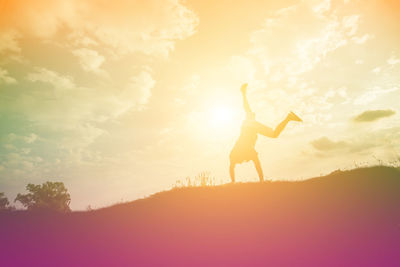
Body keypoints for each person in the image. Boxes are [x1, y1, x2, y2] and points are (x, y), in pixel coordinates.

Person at [229, 83, 302, 183]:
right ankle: (289, 118)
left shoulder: (237, 154)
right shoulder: (245, 154)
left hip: (248, 127)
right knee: (274, 134)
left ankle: (243, 93)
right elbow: (251, 165)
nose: (244, 162)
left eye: (242, 161)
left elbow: (233, 168)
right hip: (250, 127)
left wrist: (233, 182)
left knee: (249, 113)